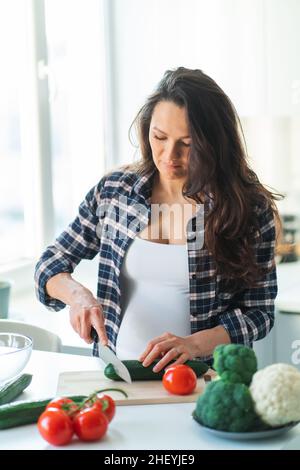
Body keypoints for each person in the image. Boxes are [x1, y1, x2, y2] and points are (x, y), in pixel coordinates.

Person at [35, 67, 282, 371]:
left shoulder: (248, 208)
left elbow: (260, 312)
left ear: (214, 143)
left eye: (187, 144)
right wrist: (77, 296)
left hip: (201, 379)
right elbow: (50, 264)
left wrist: (193, 345)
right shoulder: (115, 192)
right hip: (116, 374)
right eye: (160, 137)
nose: (169, 155)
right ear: (147, 130)